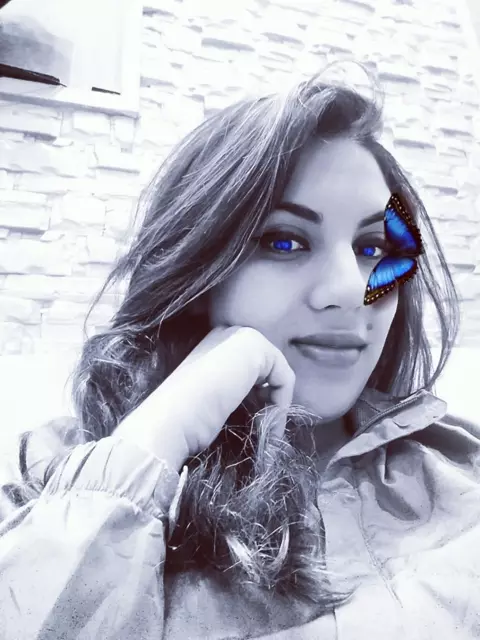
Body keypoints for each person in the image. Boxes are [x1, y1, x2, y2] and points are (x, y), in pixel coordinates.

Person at [0, 69, 478, 640]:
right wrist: (143, 454)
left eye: (372, 247)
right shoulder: (48, 487)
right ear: (199, 266)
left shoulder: (460, 472)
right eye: (284, 241)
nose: (352, 290)